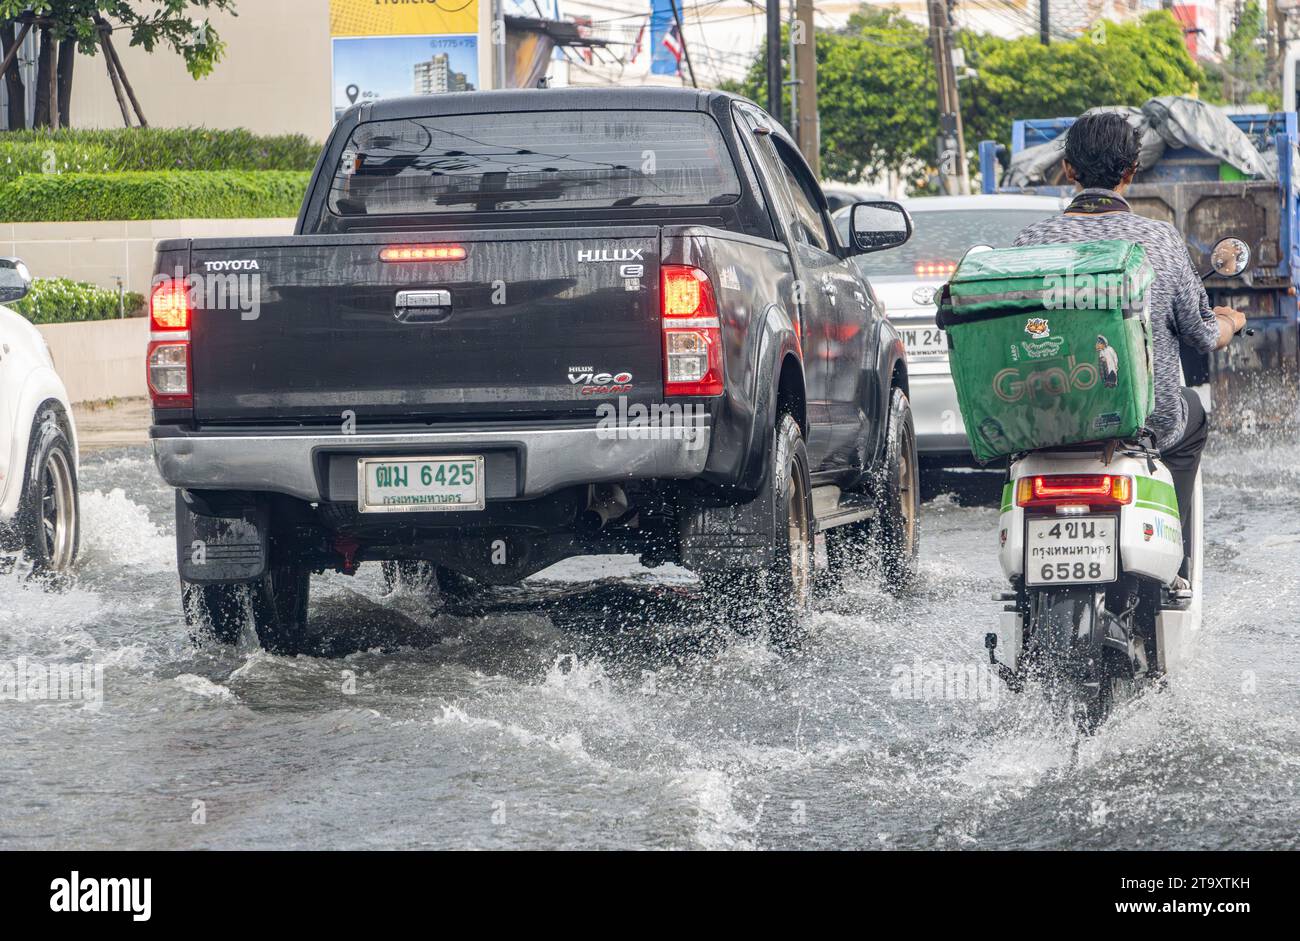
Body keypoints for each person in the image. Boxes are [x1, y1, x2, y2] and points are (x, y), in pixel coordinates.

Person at [1013, 111, 1247, 584]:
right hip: (1141, 422)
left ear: (1069, 169)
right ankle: (1174, 563)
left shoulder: (1031, 241)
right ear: (1131, 170)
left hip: (1047, 419)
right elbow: (1201, 335)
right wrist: (1229, 321)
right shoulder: (1157, 240)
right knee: (1192, 415)